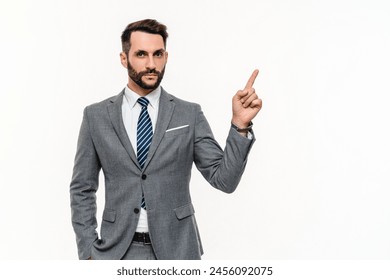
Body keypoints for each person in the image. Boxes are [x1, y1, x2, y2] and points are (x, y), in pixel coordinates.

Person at [70, 19, 262, 260]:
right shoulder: (95, 116)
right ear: (123, 58)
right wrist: (88, 250)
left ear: (166, 57)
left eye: (158, 54)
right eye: (141, 54)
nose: (151, 64)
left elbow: (224, 180)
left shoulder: (188, 113)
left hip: (178, 250)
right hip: (115, 252)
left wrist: (240, 126)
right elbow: (82, 188)